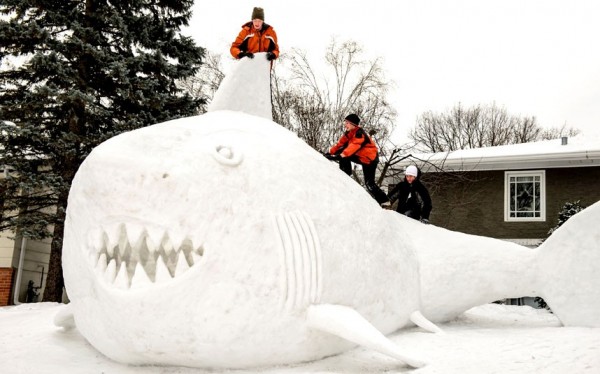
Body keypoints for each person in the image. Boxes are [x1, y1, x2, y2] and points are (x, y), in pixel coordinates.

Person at [324, 114, 391, 208]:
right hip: (360, 157)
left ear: (353, 124)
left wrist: (340, 156)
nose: (345, 124)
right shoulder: (348, 133)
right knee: (342, 151)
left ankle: (385, 201)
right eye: (345, 122)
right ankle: (345, 173)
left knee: (369, 183)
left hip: (370, 160)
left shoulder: (359, 134)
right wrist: (329, 153)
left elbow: (353, 147)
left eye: (347, 123)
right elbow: (340, 144)